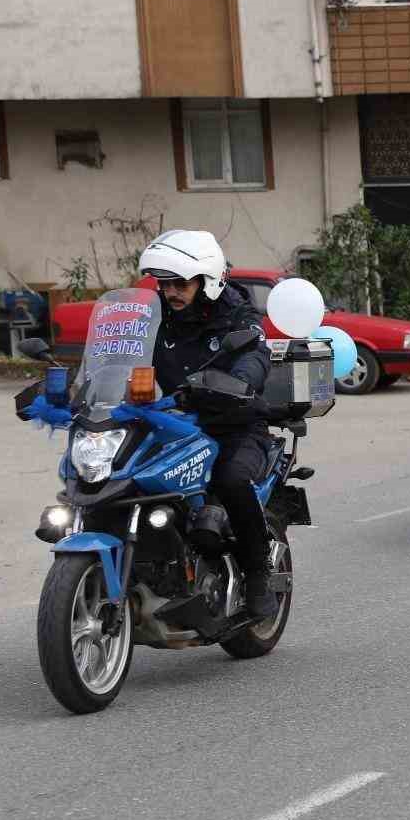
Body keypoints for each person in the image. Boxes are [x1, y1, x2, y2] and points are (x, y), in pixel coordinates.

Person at [139, 230, 280, 618]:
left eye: (180, 284)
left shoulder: (237, 314)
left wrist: (240, 381)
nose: (171, 292)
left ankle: (257, 573)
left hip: (233, 424)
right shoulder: (153, 314)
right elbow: (119, 349)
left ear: (208, 281)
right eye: (165, 284)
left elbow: (255, 352)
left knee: (231, 482)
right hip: (173, 423)